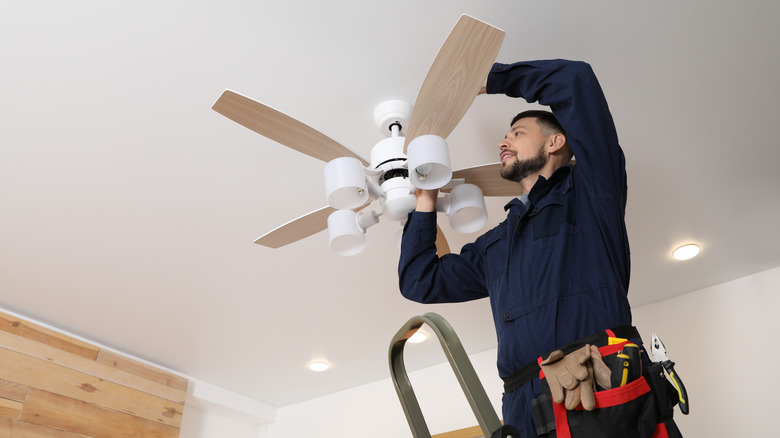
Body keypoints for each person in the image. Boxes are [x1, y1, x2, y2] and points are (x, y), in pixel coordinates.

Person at [398, 60, 681, 437]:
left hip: (598, 382)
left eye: (517, 132)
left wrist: (483, 78)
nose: (503, 142)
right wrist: (424, 199)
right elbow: (420, 280)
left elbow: (574, 81)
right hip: (522, 407)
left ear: (555, 142)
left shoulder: (591, 195)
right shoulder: (495, 245)